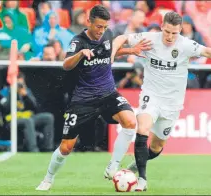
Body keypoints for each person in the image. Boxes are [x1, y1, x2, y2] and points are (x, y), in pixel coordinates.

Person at [111, 11, 211, 191]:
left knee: (157, 147)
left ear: (180, 30)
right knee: (142, 128)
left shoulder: (185, 45)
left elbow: (207, 51)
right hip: (151, 95)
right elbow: (121, 37)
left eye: (174, 33)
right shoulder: (149, 38)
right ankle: (142, 180)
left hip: (172, 103)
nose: (170, 36)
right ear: (162, 27)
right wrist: (112, 54)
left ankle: (135, 165)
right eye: (167, 32)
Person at [36, 5, 151, 191]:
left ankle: (113, 166)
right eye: (98, 26)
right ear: (89, 22)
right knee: (66, 147)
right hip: (83, 100)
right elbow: (66, 64)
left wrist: (130, 50)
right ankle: (48, 178)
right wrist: (81, 54)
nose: (101, 31)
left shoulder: (107, 35)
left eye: (104, 27)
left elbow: (109, 52)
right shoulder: (78, 41)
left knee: (130, 122)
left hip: (108, 94)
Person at [0, 72, 55, 152]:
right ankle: (33, 150)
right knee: (28, 121)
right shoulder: (5, 92)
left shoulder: (26, 91)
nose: (19, 86)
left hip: (28, 119)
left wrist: (26, 96)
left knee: (48, 117)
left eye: (21, 83)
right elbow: (4, 107)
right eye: (18, 83)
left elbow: (36, 107)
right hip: (11, 121)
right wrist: (13, 92)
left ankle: (47, 149)